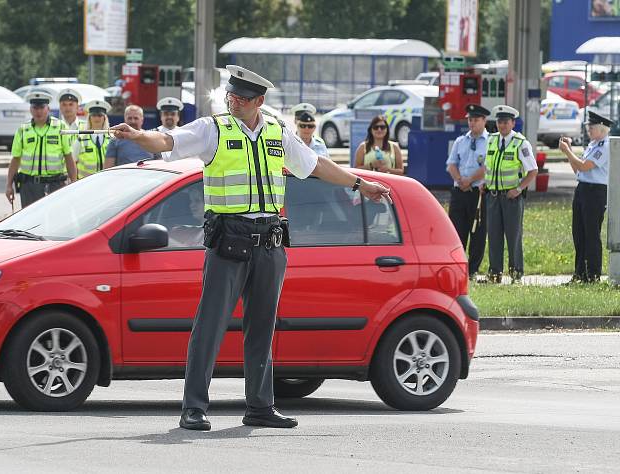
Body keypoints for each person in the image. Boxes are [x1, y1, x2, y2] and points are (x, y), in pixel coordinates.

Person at [110, 65, 390, 431]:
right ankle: (193, 407)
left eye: (241, 98)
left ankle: (260, 406)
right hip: (230, 241)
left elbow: (315, 164)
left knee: (262, 328)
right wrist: (140, 134)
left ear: (259, 101)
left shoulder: (277, 131)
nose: (233, 101)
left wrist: (359, 183)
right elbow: (168, 142)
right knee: (209, 326)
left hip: (270, 242)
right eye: (230, 96)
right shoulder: (213, 129)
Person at [484, 105, 538, 283]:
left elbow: (532, 171)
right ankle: (495, 274)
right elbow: (488, 166)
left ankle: (516, 274)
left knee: (513, 236)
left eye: (506, 122)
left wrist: (519, 189)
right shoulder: (491, 140)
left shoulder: (520, 143)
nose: (502, 125)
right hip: (492, 196)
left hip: (511, 198)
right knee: (493, 235)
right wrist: (485, 182)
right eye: (499, 122)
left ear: (513, 123)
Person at [559, 110, 613, 283]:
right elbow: (578, 169)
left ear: (601, 128)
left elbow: (585, 166)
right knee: (579, 233)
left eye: (591, 127)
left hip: (595, 192)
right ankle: (580, 273)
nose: (588, 130)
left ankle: (593, 274)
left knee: (591, 233)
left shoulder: (604, 146)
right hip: (583, 188)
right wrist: (568, 153)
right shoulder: (592, 145)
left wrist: (568, 151)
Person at [5, 91, 77, 208]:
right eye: (35, 107)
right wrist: (8, 185)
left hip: (55, 184)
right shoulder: (23, 130)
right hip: (30, 185)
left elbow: (68, 157)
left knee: (56, 219)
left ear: (48, 108)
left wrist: (74, 183)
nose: (38, 111)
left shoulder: (60, 127)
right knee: (31, 222)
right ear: (30, 109)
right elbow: (15, 159)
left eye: (41, 107)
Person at [446, 104, 490, 279]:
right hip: (459, 191)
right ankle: (457, 266)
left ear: (484, 121)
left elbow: (487, 167)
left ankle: (472, 270)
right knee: (456, 231)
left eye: (476, 120)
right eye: (470, 120)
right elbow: (451, 164)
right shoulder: (460, 141)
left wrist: (470, 180)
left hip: (477, 193)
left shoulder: (490, 141)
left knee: (478, 232)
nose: (472, 123)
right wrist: (459, 180)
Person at [74, 99, 112, 179]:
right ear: (89, 118)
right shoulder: (80, 139)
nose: (97, 118)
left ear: (105, 118)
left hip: (107, 181)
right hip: (85, 183)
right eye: (94, 115)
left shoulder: (112, 138)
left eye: (100, 115)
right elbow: (73, 161)